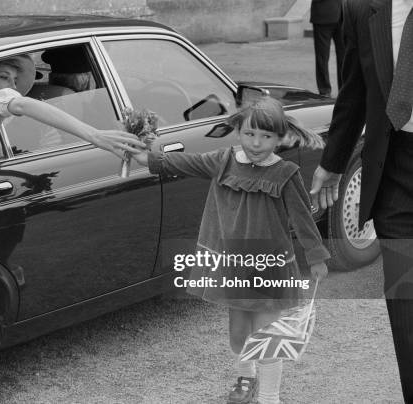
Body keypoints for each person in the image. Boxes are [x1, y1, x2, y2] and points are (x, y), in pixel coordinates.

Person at [124, 96, 329, 404]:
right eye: (250, 134)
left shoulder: (286, 173)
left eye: (266, 136)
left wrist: (316, 257)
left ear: (280, 137)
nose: (257, 142)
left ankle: (270, 397)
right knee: (239, 332)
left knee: (266, 336)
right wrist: (148, 158)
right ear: (238, 130)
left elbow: (303, 219)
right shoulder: (224, 160)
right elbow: (185, 162)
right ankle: (246, 378)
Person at [310, 0, 413, 401]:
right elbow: (354, 91)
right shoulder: (361, 10)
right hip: (397, 173)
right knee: (406, 308)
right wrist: (332, 163)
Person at [0, 54, 144, 159]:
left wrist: (44, 144)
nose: (12, 85)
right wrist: (95, 135)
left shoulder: (7, 113)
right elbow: (20, 104)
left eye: (15, 80)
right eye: (4, 77)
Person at [310, 0, 344, 97]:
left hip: (343, 16)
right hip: (323, 15)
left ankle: (344, 89)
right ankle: (324, 90)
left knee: (345, 57)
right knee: (322, 57)